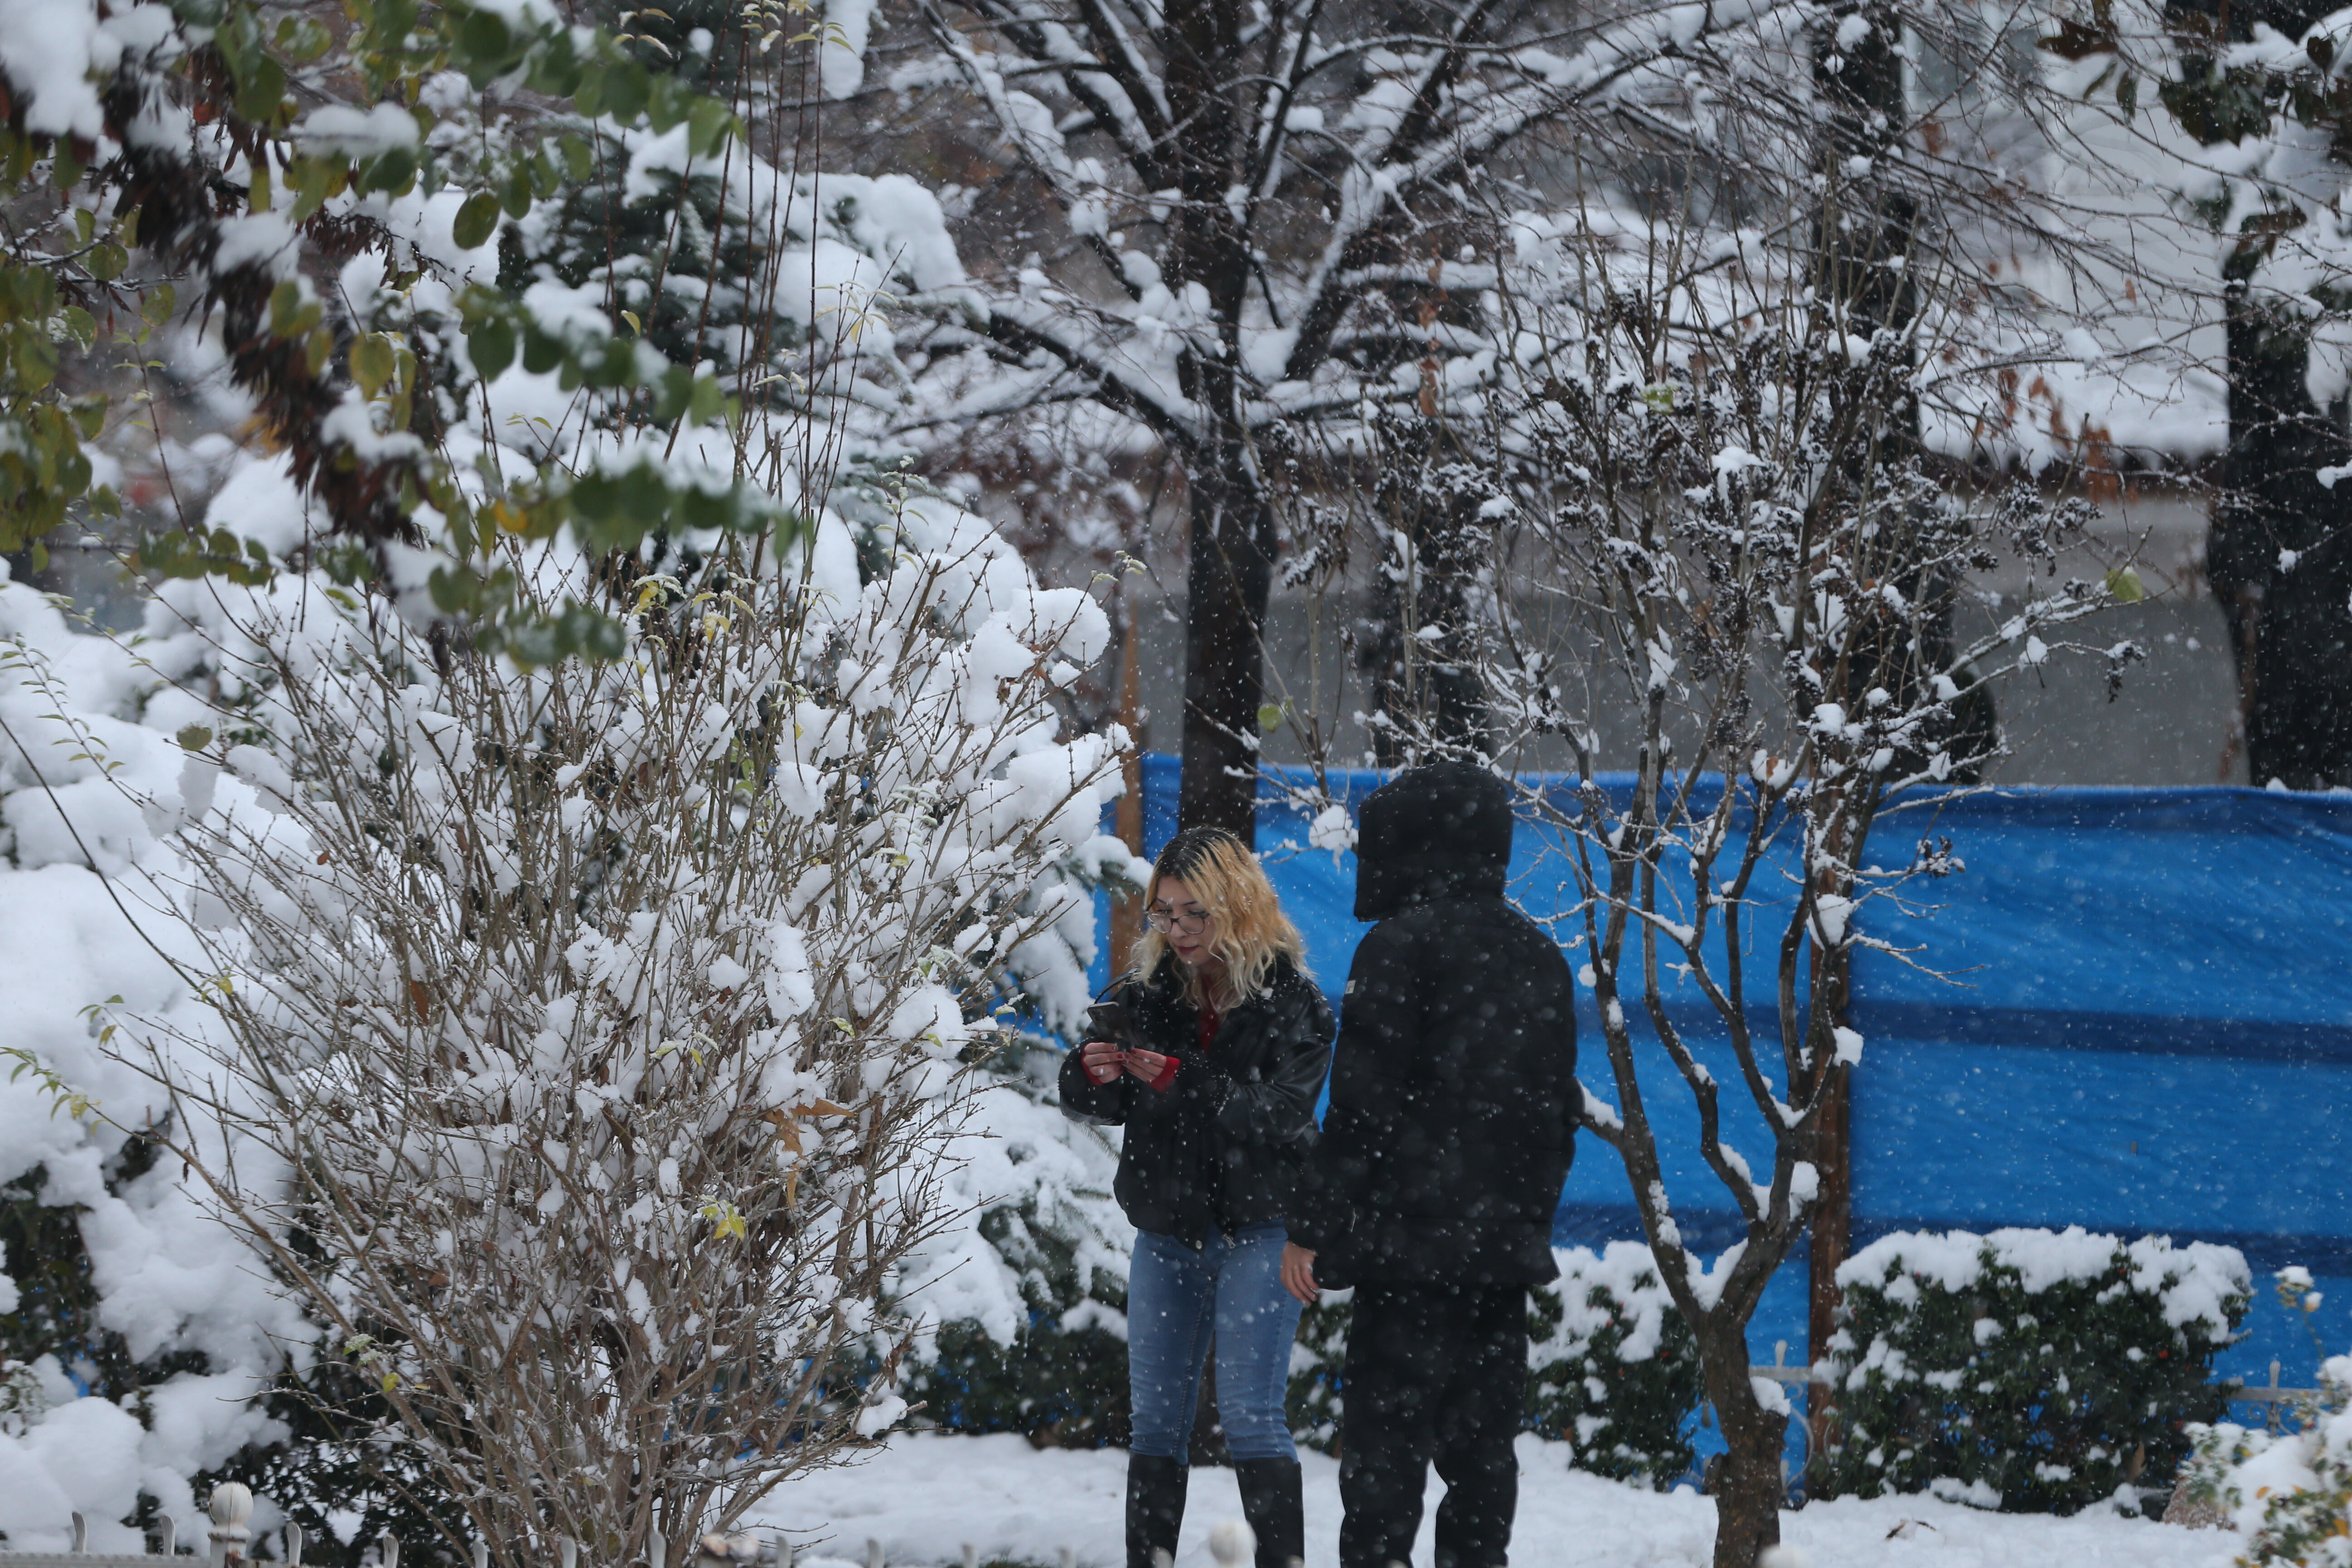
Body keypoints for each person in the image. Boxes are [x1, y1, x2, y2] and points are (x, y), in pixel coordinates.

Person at [1283, 761, 1578, 1568]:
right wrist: (1522, 1222)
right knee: (1483, 1457)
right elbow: (1559, 1120)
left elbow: (1361, 1113)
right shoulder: (1540, 958)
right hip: (1498, 1262)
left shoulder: (1397, 950)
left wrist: (1312, 1227)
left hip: (1405, 1258)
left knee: (1386, 1456)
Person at [1060, 826, 1335, 1568]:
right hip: (1168, 1226)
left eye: (1194, 915)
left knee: (1251, 1416)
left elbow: (1283, 1116)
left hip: (1260, 1226)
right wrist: (1093, 1074)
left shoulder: (1294, 1002)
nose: (1175, 931)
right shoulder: (1146, 994)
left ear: (1237, 908)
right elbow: (1094, 1101)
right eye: (1164, 914)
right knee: (1154, 1424)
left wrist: (1184, 1082)